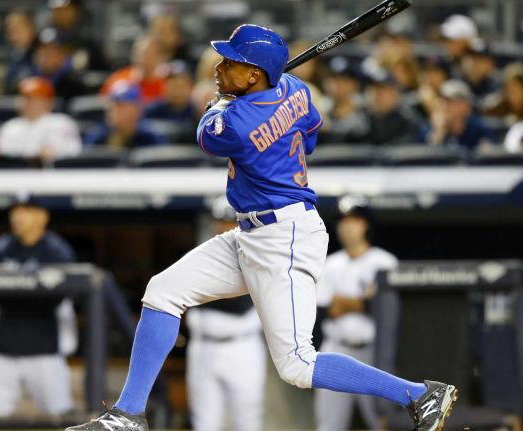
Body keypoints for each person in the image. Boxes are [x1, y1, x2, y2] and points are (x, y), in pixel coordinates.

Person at [66, 24, 456, 431]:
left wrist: (225, 102)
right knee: (163, 292)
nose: (218, 67)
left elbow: (208, 132)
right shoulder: (297, 89)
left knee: (298, 365)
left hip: (283, 237)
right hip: (252, 232)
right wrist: (265, 101)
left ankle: (419, 394)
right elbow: (309, 137)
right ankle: (129, 414)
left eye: (231, 62)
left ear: (254, 75)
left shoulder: (237, 122)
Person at [0, 194, 77, 417]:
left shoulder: (56, 251)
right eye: (16, 211)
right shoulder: (0, 249)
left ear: (42, 216)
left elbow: (59, 297)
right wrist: (27, 292)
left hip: (44, 348)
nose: (18, 217)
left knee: (60, 417)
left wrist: (10, 293)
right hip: (2, 348)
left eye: (26, 211)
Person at [315, 199, 398, 431]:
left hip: (373, 352)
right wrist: (363, 301)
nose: (347, 227)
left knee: (381, 420)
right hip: (336, 349)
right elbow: (324, 310)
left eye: (354, 221)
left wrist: (344, 302)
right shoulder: (329, 264)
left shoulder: (385, 262)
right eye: (343, 221)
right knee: (328, 423)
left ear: (365, 225)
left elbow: (383, 310)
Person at [185, 196, 266, 431]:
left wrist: (207, 291)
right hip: (203, 348)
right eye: (219, 221)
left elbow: (239, 305)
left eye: (230, 222)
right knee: (204, 423)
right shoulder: (199, 256)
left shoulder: (257, 256)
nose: (223, 227)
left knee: (247, 423)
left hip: (242, 348)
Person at [0, 77, 82, 164]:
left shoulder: (63, 122)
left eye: (30, 98)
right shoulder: (10, 127)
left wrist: (55, 153)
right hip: (18, 174)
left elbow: (74, 152)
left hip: (56, 174)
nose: (24, 102)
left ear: (48, 101)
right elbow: (3, 156)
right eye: (22, 97)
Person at [83, 80, 165, 149]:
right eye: (114, 106)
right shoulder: (98, 136)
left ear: (137, 110)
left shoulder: (150, 137)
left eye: (122, 106)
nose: (115, 111)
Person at [423, 79, 495, 150]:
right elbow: (425, 158)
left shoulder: (480, 128)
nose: (445, 105)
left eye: (450, 101)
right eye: (443, 100)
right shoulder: (429, 128)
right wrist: (439, 133)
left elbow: (487, 155)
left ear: (466, 105)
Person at [99, 37, 168, 104]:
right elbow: (104, 103)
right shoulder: (119, 80)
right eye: (142, 53)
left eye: (151, 55)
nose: (145, 58)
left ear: (161, 58)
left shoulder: (166, 86)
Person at [143, 61, 198, 142]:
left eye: (181, 85)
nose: (177, 90)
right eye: (173, 85)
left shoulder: (196, 111)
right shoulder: (152, 110)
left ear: (190, 87)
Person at [362, 72, 422, 145]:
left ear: (395, 93)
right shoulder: (361, 117)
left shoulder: (408, 119)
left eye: (383, 90)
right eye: (374, 89)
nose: (377, 94)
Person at [319, 56, 368, 144]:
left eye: (344, 81)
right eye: (335, 80)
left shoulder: (365, 110)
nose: (339, 86)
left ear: (355, 84)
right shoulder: (320, 109)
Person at [48, 0, 108, 71]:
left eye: (66, 9)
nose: (62, 14)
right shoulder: (48, 39)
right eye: (58, 10)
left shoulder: (89, 41)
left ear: (76, 10)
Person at [34, 28, 90, 101]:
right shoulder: (31, 79)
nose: (46, 55)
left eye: (51, 50)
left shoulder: (74, 83)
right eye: (42, 49)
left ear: (62, 53)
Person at [3, 11, 38, 94]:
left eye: (19, 29)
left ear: (32, 28)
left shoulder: (43, 50)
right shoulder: (13, 55)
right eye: (11, 31)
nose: (15, 35)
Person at [439, 14, 480, 79]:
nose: (447, 44)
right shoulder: (449, 61)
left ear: (464, 40)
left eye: (451, 40)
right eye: (446, 40)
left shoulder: (480, 61)